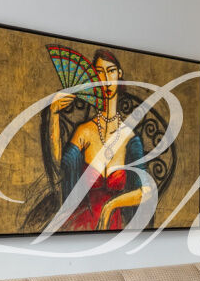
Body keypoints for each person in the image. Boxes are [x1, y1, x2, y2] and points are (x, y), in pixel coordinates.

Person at [47, 49, 153, 230]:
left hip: (112, 227)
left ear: (119, 74)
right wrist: (54, 115)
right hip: (78, 226)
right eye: (99, 73)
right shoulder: (84, 131)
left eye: (110, 71)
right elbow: (59, 165)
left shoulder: (129, 138)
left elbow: (147, 190)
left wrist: (111, 206)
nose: (106, 80)